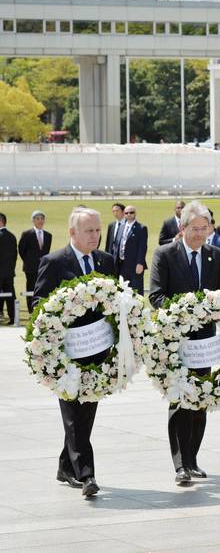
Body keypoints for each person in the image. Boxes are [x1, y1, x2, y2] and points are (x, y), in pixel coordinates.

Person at [34, 207, 115, 497]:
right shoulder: (54, 262)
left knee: (85, 413)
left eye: (97, 230)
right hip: (66, 355)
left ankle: (65, 466)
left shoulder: (106, 261)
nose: (95, 236)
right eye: (88, 231)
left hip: (98, 354)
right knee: (72, 413)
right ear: (72, 233)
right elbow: (39, 305)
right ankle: (86, 474)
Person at [149, 201, 220, 486]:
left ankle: (193, 459)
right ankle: (180, 464)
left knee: (201, 398)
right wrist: (187, 312)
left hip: (206, 343)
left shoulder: (216, 256)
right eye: (194, 229)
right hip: (176, 342)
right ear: (182, 228)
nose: (199, 234)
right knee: (180, 401)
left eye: (204, 228)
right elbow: (156, 296)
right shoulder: (165, 254)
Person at [19, 210, 52, 312]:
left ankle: (41, 308)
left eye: (42, 219)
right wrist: (29, 261)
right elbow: (21, 250)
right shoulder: (27, 234)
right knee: (31, 288)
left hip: (43, 267)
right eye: (37, 218)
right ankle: (31, 309)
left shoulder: (48, 235)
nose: (40, 221)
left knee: (42, 287)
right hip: (30, 267)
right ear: (33, 221)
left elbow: (46, 252)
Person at [0, 214, 17, 325]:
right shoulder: (12, 236)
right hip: (9, 272)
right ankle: (13, 317)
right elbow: (15, 254)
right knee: (10, 295)